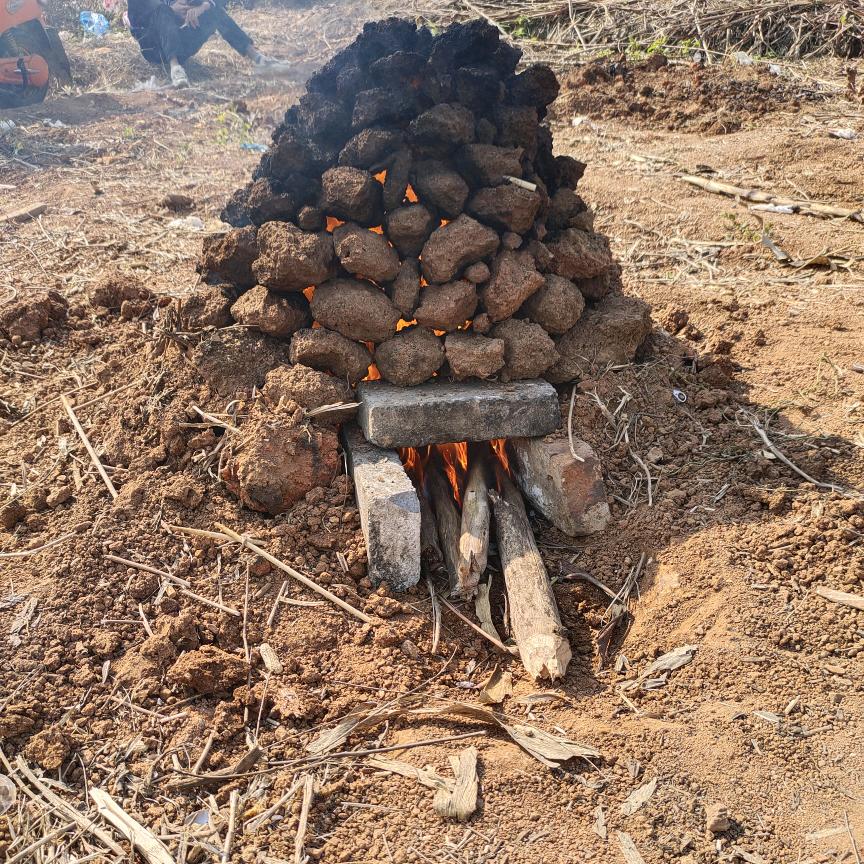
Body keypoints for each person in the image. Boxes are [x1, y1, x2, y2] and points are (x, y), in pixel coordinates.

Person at [126, 0, 286, 87]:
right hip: (155, 48)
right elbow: (138, 14)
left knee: (214, 11)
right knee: (162, 11)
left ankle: (258, 59)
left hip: (181, 42)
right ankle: (175, 70)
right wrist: (170, 8)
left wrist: (204, 6)